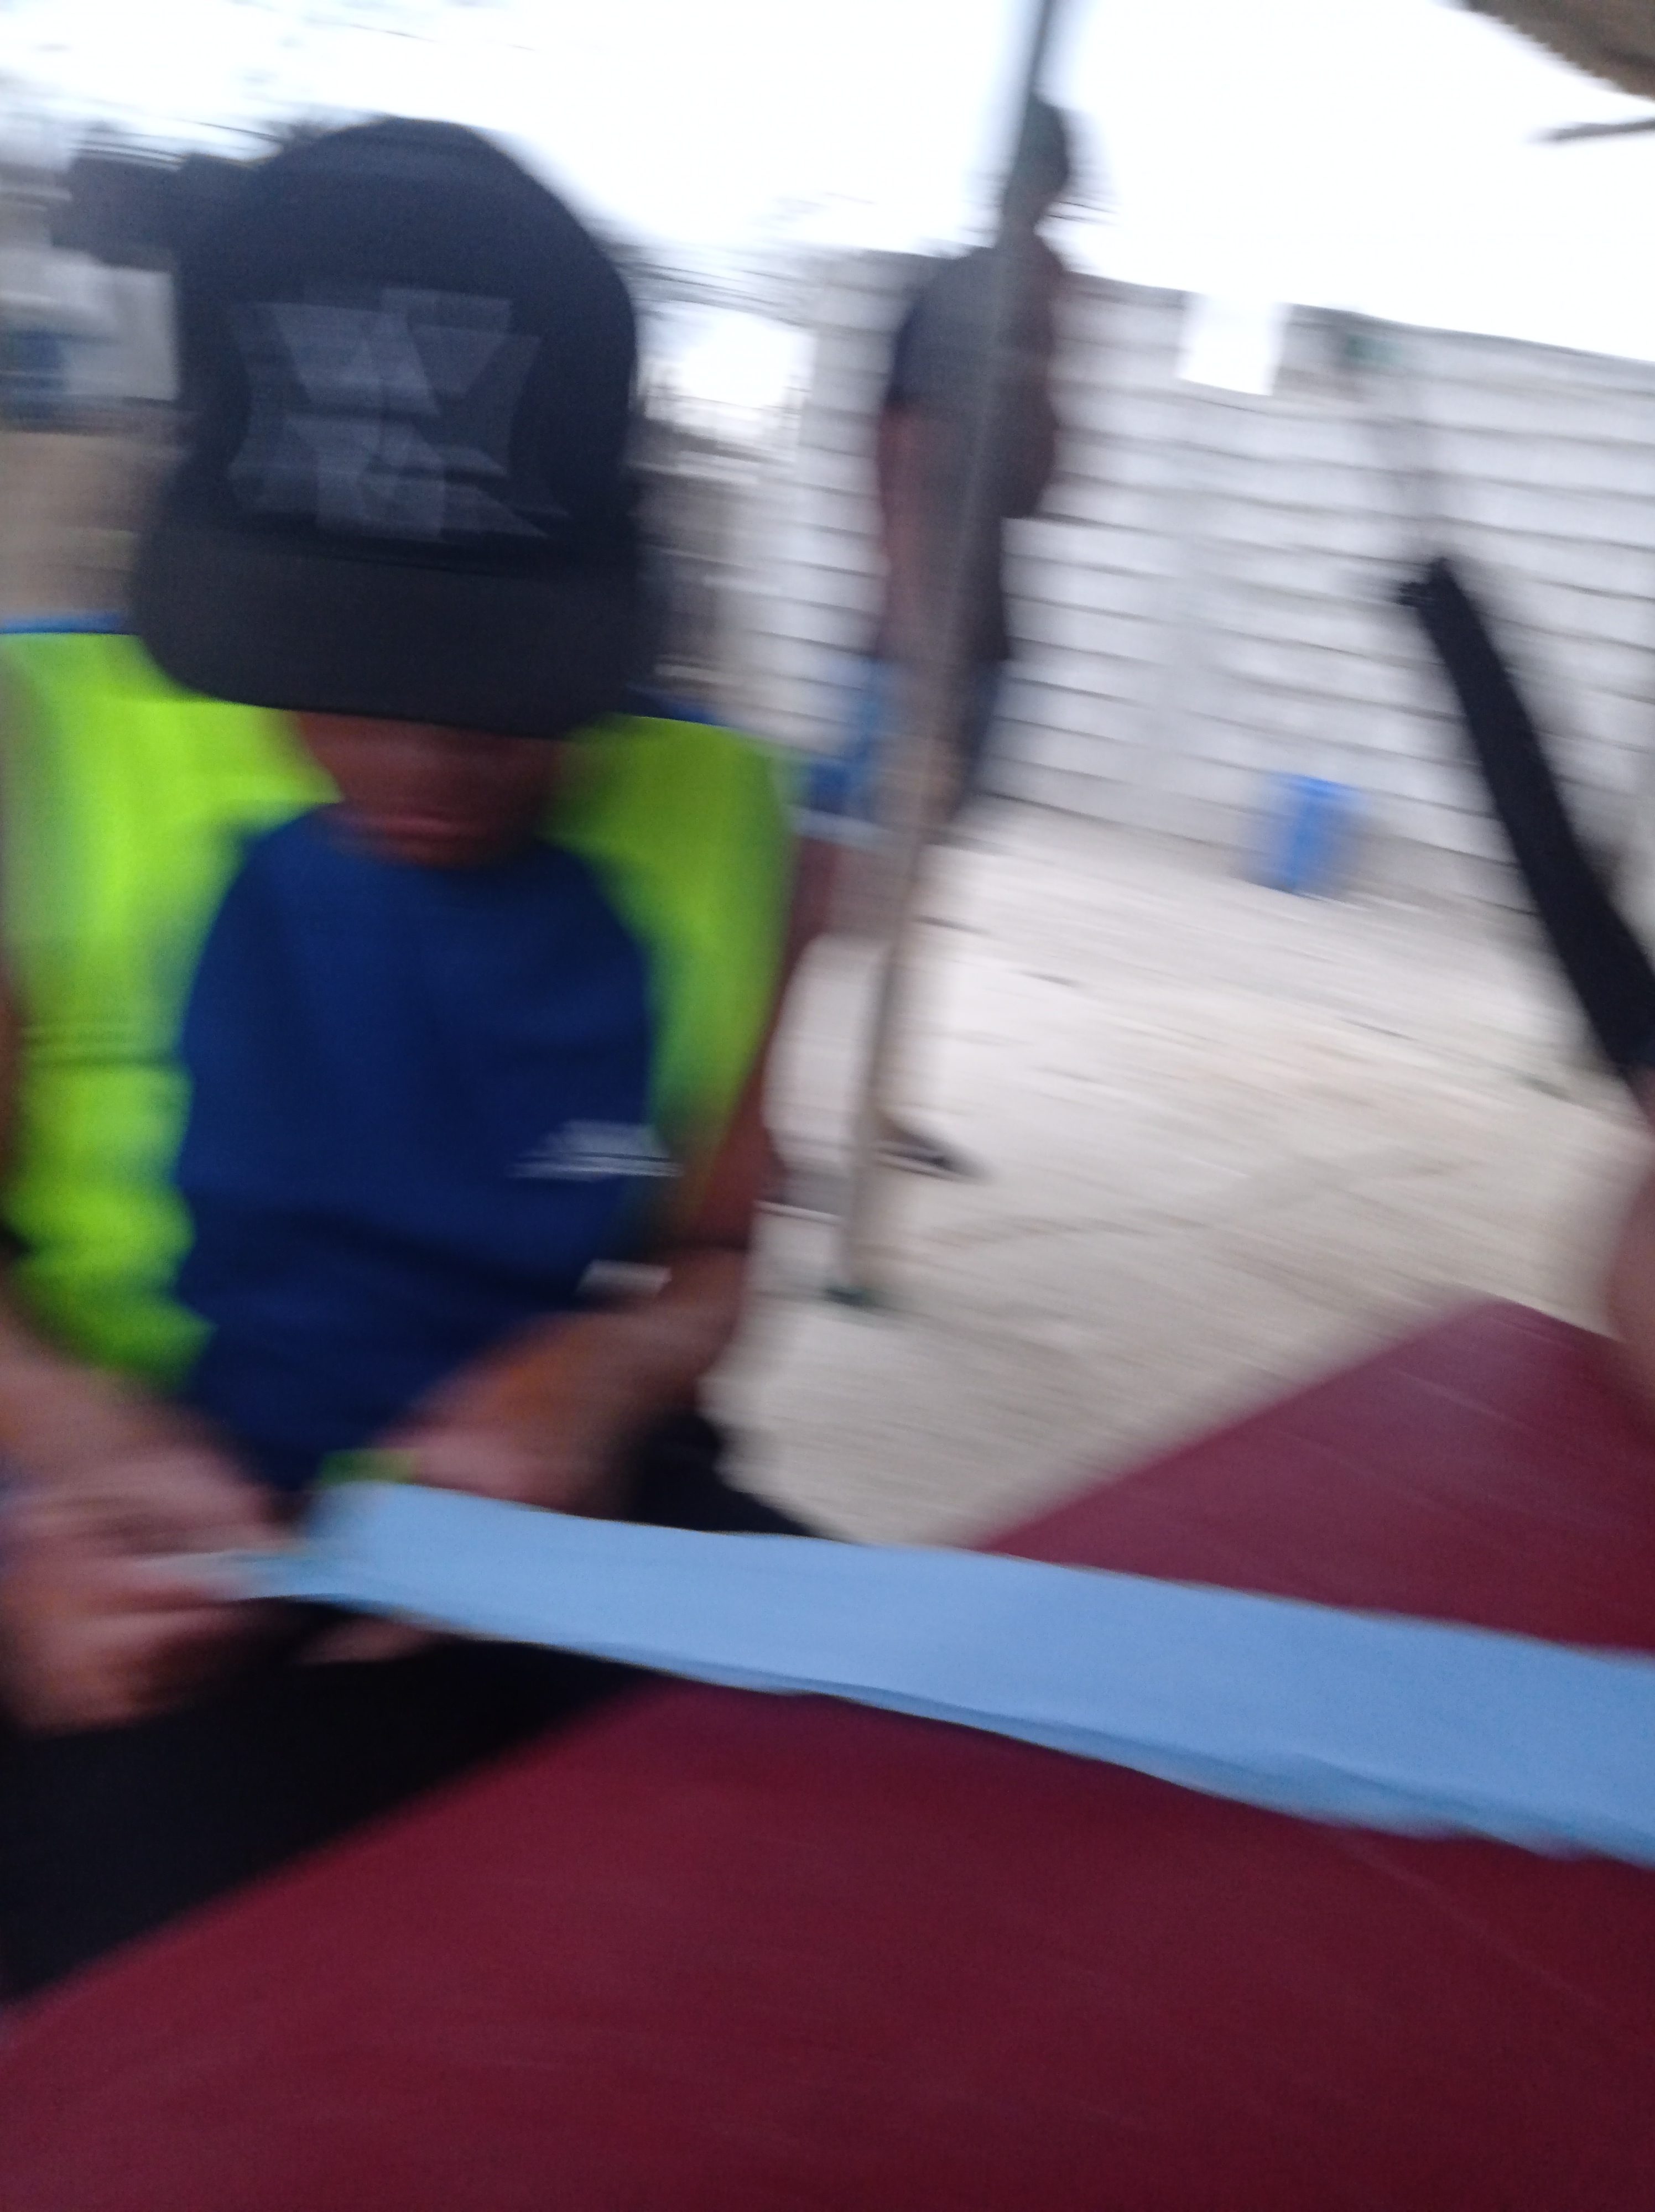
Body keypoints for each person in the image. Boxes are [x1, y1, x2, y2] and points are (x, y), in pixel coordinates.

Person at [0, 119, 806, 1998]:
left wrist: (597, 1381)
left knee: (819, 1871)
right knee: (181, 1996)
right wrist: (51, 1469)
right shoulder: (35, 745)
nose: (426, 761)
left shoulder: (725, 821)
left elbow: (710, 1253)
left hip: (535, 1520)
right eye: (340, 672)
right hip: (115, 1533)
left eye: (499, 697)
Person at [804, 99, 1074, 1180]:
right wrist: (922, 652)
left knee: (909, 888)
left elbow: (1044, 487)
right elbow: (900, 464)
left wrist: (1046, 371)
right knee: (848, 886)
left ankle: (876, 1101)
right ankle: (745, 1096)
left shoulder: (1031, 307)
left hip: (981, 642)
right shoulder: (961, 294)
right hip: (920, 651)